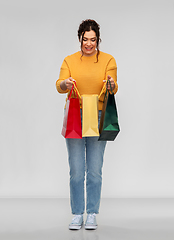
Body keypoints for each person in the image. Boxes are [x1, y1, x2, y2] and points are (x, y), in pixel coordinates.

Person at [56, 19, 118, 230]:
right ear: (80, 39)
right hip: (75, 115)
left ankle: (91, 213)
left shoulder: (108, 60)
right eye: (85, 39)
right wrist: (66, 83)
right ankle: (76, 213)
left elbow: (114, 86)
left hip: (98, 117)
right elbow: (60, 85)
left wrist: (111, 84)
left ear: (98, 40)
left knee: (94, 169)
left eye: (93, 40)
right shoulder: (69, 60)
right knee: (76, 169)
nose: (89, 44)